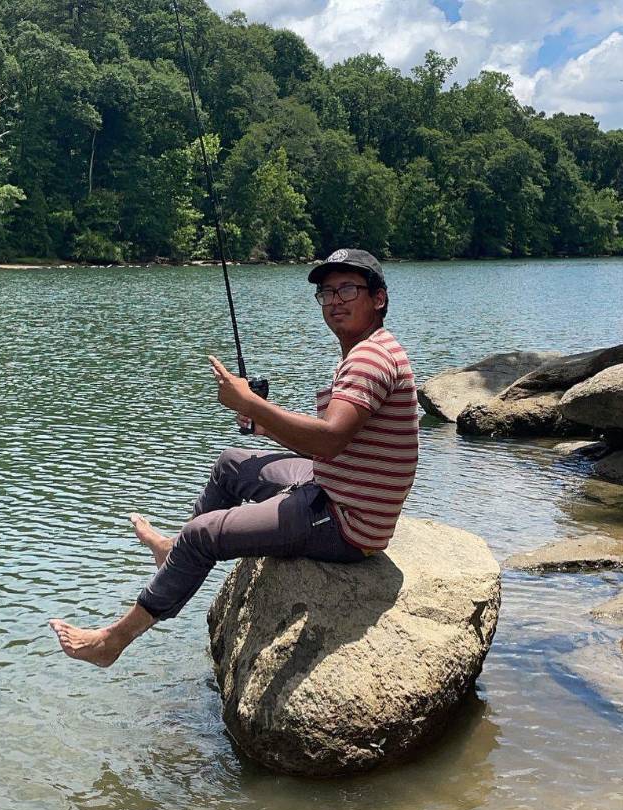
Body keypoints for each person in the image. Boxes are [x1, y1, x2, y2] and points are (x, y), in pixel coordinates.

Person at [48, 249, 418, 667]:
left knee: (204, 534)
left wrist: (254, 405)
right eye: (327, 292)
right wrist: (262, 423)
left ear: (379, 298)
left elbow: (329, 441)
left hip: (345, 520)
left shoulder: (370, 358)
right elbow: (336, 447)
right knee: (231, 463)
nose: (335, 300)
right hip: (335, 484)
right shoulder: (368, 350)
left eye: (348, 289)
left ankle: (111, 641)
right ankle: (173, 553)